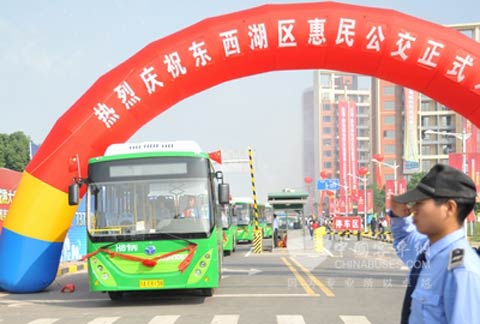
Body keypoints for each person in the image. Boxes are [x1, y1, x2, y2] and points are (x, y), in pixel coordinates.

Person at [389, 164, 480, 323]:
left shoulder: (462, 270)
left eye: (420, 203)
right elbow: (404, 239)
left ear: (449, 208)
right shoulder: (428, 252)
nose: (414, 209)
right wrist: (398, 216)